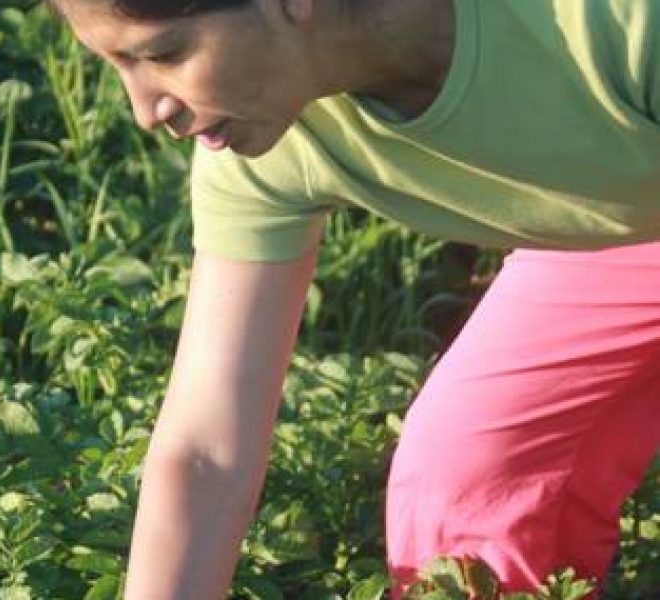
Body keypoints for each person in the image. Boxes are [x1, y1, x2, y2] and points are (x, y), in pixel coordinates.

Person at [52, 0, 660, 597]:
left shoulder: (611, 21)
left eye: (164, 53)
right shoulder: (269, 143)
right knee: (468, 484)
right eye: (119, 67)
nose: (145, 111)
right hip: (631, 234)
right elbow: (206, 453)